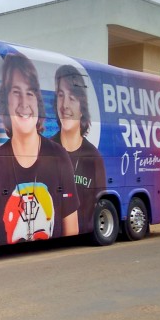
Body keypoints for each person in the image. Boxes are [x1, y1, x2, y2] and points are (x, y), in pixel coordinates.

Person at [0, 53, 79, 248]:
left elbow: (72, 234)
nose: (24, 103)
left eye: (30, 93)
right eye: (16, 92)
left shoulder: (59, 158)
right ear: (5, 103)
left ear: (38, 102)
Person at [50, 64, 106, 234]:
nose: (65, 105)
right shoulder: (46, 151)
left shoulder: (93, 158)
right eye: (61, 96)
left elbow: (99, 203)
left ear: (82, 108)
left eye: (72, 98)